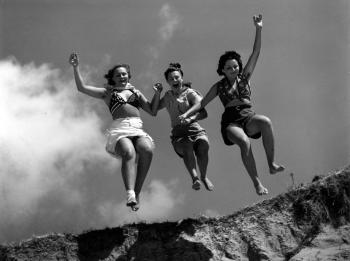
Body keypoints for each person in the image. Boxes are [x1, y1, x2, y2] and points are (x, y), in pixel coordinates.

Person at [179, 14, 284, 195]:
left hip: (248, 116)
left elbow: (256, 52)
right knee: (244, 142)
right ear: (223, 70)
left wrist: (259, 28)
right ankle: (257, 183)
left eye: (235, 66)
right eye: (229, 67)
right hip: (231, 122)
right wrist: (187, 114)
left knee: (266, 121)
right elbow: (202, 103)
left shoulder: (245, 77)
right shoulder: (219, 86)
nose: (233, 69)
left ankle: (271, 164)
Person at [69, 52, 159, 211]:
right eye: (118, 75)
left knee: (147, 149)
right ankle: (130, 193)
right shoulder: (108, 93)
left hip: (137, 127)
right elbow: (82, 88)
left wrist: (157, 94)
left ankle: (137, 193)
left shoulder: (135, 93)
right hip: (120, 128)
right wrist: (75, 67)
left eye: (124, 74)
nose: (122, 77)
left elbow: (152, 110)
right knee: (128, 152)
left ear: (128, 76)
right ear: (113, 78)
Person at [152, 63, 214, 191]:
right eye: (171, 79)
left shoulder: (191, 93)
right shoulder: (168, 96)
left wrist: (190, 118)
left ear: (181, 78)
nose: (174, 80)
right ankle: (195, 178)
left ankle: (203, 176)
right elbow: (155, 109)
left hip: (194, 128)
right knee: (186, 145)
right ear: (168, 82)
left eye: (176, 77)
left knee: (203, 144)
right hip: (178, 133)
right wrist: (158, 93)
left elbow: (203, 113)